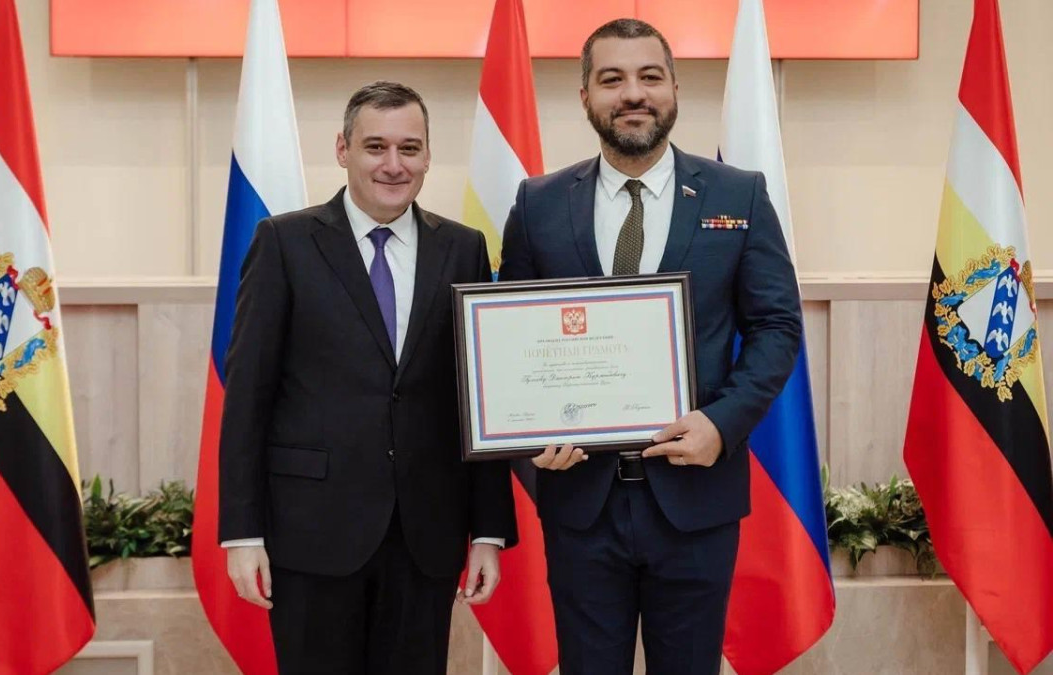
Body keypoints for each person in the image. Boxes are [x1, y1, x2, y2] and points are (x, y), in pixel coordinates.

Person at [498, 19, 802, 675]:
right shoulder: (538, 204)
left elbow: (777, 327)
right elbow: (513, 340)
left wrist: (721, 424)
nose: (633, 93)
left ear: (674, 89)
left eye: (649, 76)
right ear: (585, 96)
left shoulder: (739, 194)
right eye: (612, 79)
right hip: (580, 502)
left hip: (696, 498)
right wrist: (531, 437)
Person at [218, 81, 517, 675]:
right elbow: (248, 396)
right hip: (311, 532)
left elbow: (476, 398)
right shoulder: (284, 243)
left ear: (428, 156)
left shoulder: (463, 248)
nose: (393, 164)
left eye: (410, 148)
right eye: (375, 146)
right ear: (343, 149)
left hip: (426, 535)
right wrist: (242, 534)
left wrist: (488, 529)